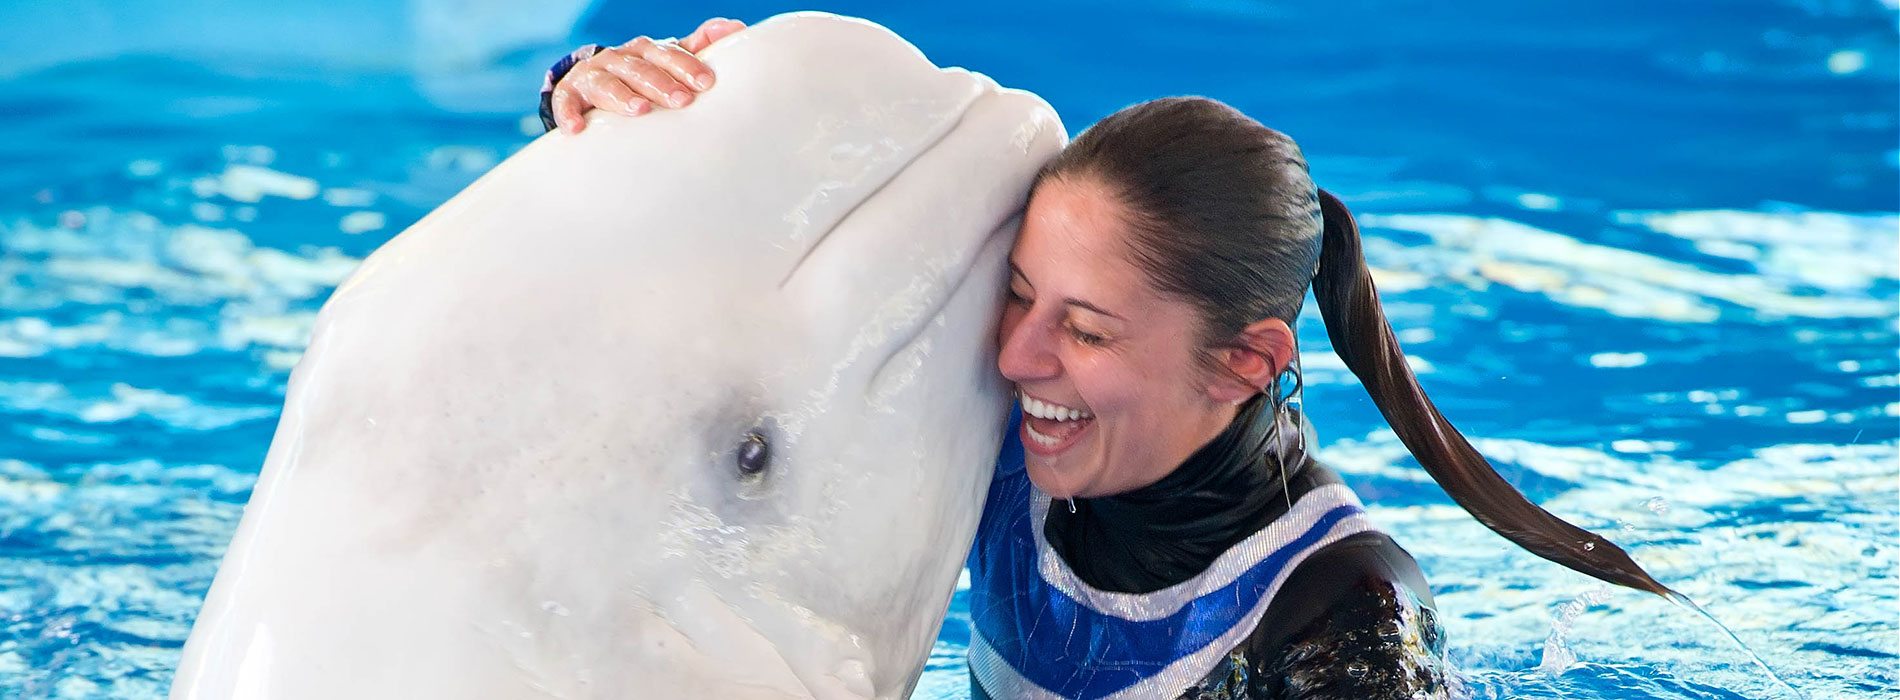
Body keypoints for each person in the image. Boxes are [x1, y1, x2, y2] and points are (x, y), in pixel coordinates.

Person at [538, 19, 1676, 700]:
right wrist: (611, 107)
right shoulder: (1006, 437)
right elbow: (725, 318)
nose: (1017, 356)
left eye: (1084, 330)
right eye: (1020, 296)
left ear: (1244, 362)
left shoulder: (1339, 617)